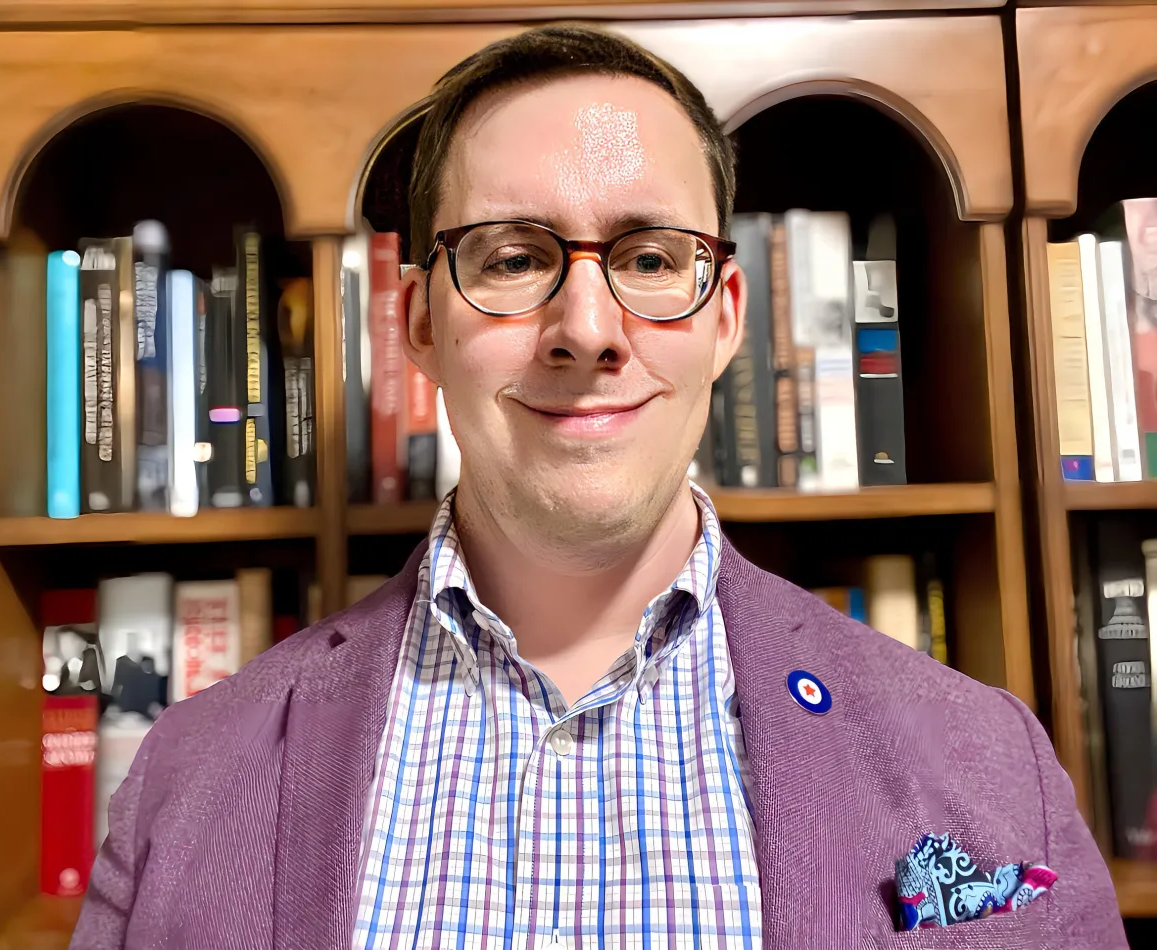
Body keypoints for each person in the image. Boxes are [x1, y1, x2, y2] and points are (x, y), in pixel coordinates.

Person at [71, 23, 1126, 949]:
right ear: (422, 324)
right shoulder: (189, 776)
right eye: (515, 257)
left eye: (653, 258)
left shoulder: (987, 760)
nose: (586, 329)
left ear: (724, 319)